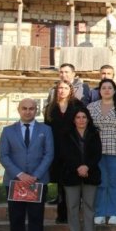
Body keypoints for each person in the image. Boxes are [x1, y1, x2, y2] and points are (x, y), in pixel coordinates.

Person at [0, 99, 55, 231]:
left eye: (32, 108)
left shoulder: (46, 130)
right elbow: (3, 156)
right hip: (15, 182)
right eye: (24, 108)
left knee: (36, 219)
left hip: (37, 183)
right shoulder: (8, 131)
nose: (28, 111)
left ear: (36, 110)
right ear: (18, 110)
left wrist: (35, 176)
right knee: (16, 219)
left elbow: (49, 154)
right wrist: (20, 175)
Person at [60, 107, 102, 231]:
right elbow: (65, 154)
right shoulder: (66, 134)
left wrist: (86, 166)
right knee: (72, 206)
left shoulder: (94, 133)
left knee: (89, 206)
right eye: (78, 117)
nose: (81, 120)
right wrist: (77, 167)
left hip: (91, 174)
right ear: (73, 120)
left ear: (88, 119)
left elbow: (97, 154)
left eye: (84, 117)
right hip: (71, 174)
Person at [44, 79, 83, 223]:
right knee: (61, 183)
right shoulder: (50, 108)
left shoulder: (77, 106)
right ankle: (62, 215)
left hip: (73, 148)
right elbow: (47, 129)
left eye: (65, 88)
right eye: (59, 88)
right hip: (56, 149)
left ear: (70, 90)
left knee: (73, 182)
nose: (62, 90)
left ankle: (74, 214)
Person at [87, 79, 116, 225]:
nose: (107, 90)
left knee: (114, 182)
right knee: (101, 182)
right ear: (99, 91)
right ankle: (100, 212)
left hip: (115, 149)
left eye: (110, 88)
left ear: (114, 90)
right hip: (96, 150)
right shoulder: (91, 107)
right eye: (104, 88)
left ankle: (114, 212)